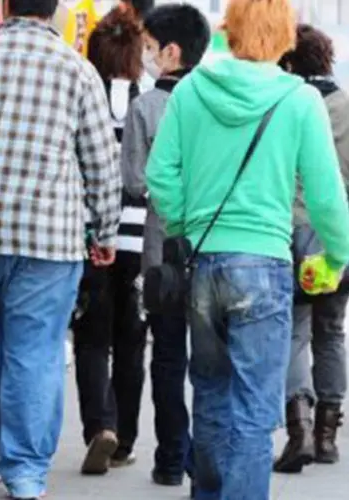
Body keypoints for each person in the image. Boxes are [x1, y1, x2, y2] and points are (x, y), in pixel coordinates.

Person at [146, 0, 349, 498]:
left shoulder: (191, 90)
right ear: (284, 36)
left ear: (229, 30)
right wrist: (337, 257)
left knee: (212, 399)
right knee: (255, 414)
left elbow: (159, 176)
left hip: (202, 266)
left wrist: (187, 223)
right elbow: (326, 195)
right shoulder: (298, 99)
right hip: (263, 267)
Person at [0, 0, 122, 497]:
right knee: (35, 350)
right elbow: (101, 162)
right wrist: (104, 232)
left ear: (6, 7)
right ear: (52, 10)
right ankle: (26, 473)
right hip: (48, 235)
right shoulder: (76, 70)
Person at [122, 3, 210, 489]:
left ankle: (171, 458)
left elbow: (135, 182)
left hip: (162, 255)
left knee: (169, 358)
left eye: (151, 48)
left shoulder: (146, 107)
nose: (148, 56)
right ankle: (206, 459)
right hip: (214, 250)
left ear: (172, 51)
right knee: (212, 362)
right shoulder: (213, 103)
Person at [72, 3, 146, 476]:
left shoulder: (83, 95)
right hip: (140, 239)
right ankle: (126, 442)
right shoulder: (149, 99)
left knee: (92, 337)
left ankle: (100, 426)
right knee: (132, 340)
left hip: (89, 235)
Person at [274, 24, 349, 474]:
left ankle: (298, 428)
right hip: (337, 235)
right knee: (332, 330)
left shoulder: (286, 107)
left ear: (289, 63)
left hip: (291, 232)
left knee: (293, 331)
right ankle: (327, 437)